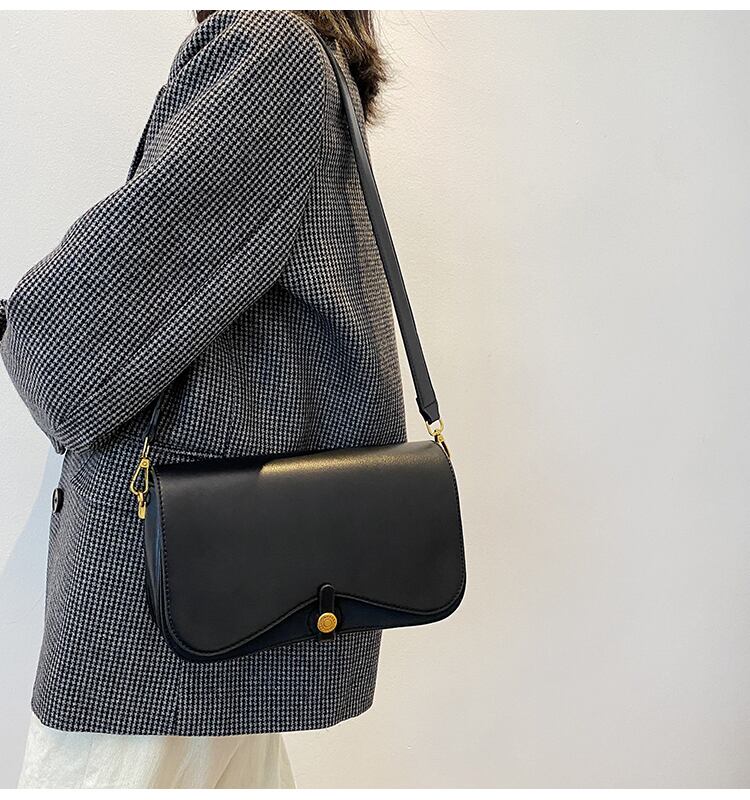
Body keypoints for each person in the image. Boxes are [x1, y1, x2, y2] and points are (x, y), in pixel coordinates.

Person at [2, 9, 404, 789]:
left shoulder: (269, 48)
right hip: (220, 587)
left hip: (161, 605)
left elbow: (142, 267)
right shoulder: (299, 50)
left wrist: (27, 328)